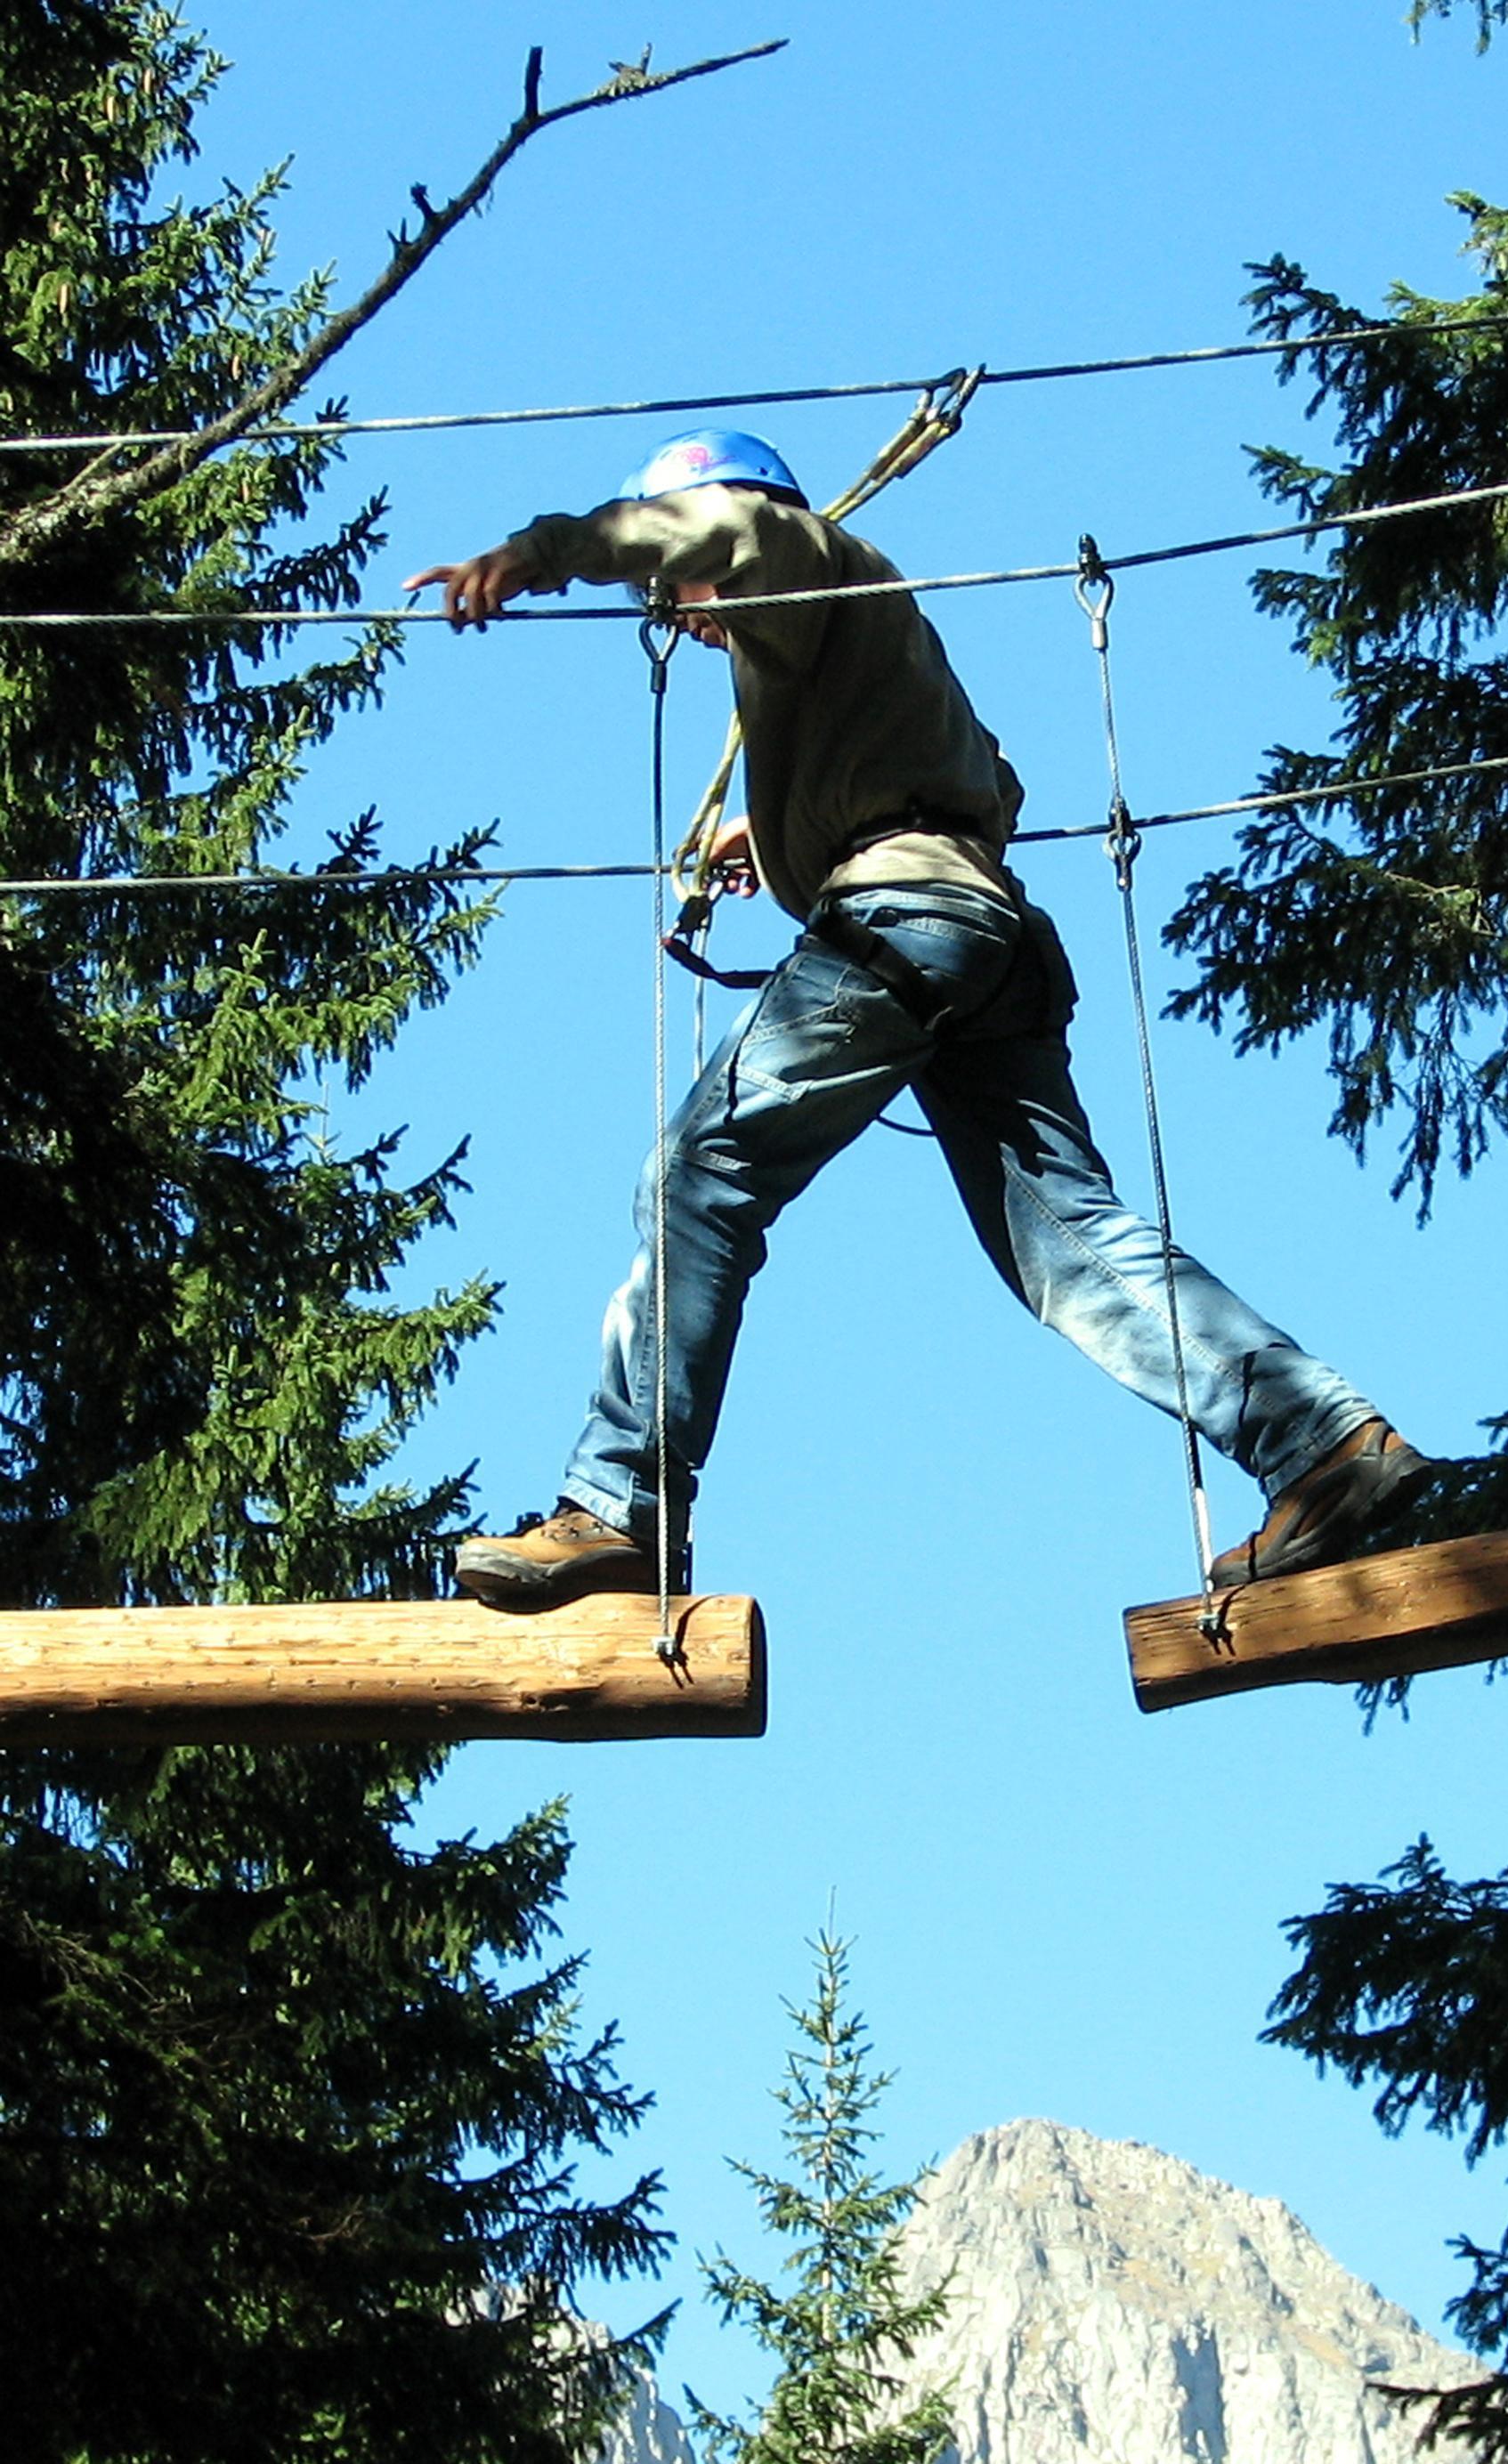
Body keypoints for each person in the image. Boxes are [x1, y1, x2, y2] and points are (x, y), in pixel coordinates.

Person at [406, 429, 1424, 1609]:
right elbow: (990, 778)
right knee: (1068, 1247)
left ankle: (622, 1506)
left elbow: (721, 529)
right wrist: (791, 829)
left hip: (901, 928)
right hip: (985, 937)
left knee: (698, 1174)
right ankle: (1321, 1443)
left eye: (667, 589)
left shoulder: (789, 552)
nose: (672, 611)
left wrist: (539, 553)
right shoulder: (857, 627)